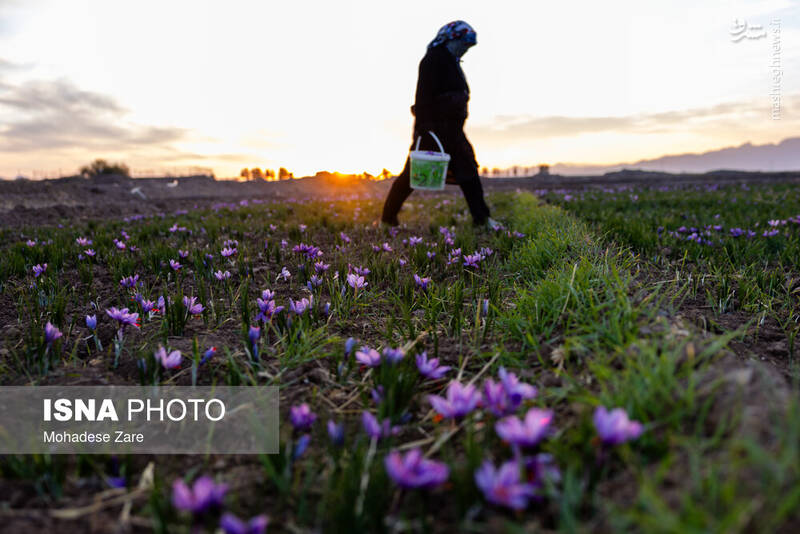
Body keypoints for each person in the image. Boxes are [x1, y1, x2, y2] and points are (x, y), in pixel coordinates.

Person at [381, 20, 500, 229]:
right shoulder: (434, 59)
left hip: (453, 131)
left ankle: (481, 219)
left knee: (468, 172)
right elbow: (423, 97)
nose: (465, 50)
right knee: (411, 175)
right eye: (463, 45)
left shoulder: (452, 61)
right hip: (434, 129)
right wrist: (425, 130)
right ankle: (387, 219)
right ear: (451, 39)